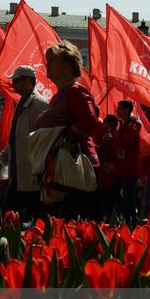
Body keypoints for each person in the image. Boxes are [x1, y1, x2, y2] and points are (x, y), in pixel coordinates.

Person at [33, 42, 103, 218]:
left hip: (74, 168)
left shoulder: (75, 91)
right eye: (47, 60)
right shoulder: (62, 94)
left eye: (53, 60)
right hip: (61, 168)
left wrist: (65, 138)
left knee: (71, 224)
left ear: (69, 64)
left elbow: (89, 121)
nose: (47, 64)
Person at [0, 65, 50, 220]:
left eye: (16, 80)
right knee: (12, 216)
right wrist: (2, 158)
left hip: (31, 174)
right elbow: (14, 138)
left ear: (28, 81)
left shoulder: (39, 103)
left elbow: (44, 139)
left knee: (35, 215)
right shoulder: (22, 102)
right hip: (19, 173)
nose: (13, 84)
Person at [109, 101, 144, 223]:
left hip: (129, 168)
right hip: (122, 168)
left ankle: (131, 220)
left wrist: (113, 139)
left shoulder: (131, 126)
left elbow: (127, 144)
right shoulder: (124, 124)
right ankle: (128, 217)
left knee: (128, 196)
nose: (117, 111)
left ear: (127, 110)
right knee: (115, 192)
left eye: (120, 108)